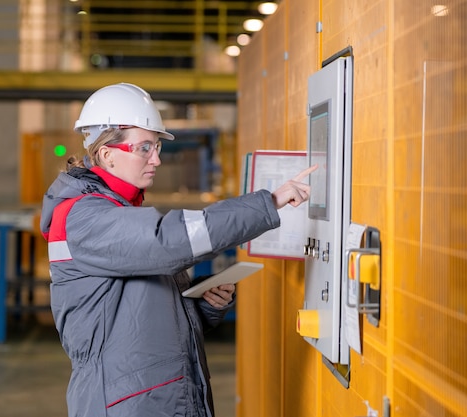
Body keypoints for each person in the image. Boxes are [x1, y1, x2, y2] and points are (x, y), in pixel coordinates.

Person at [40, 82, 316, 417]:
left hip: (158, 398)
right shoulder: (85, 217)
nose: (156, 159)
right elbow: (170, 241)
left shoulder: (120, 213)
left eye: (156, 147)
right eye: (143, 148)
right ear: (107, 153)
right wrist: (268, 204)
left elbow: (143, 319)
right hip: (125, 405)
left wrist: (206, 306)